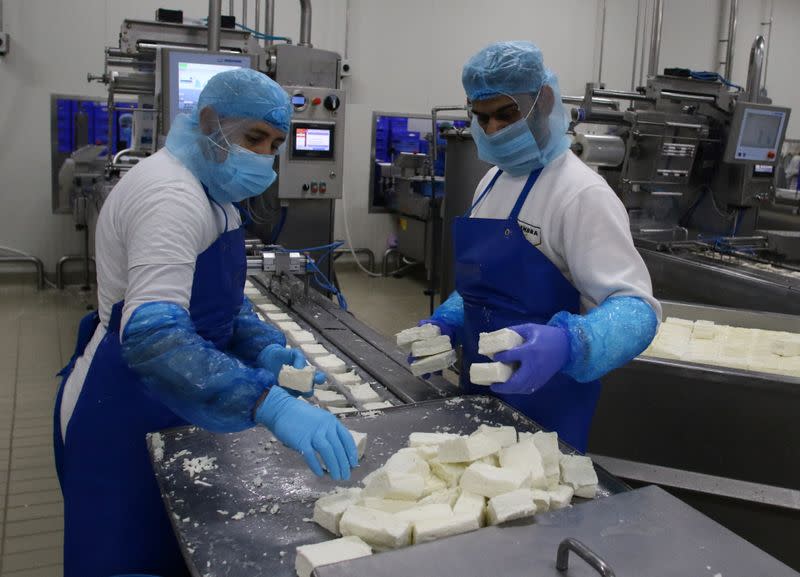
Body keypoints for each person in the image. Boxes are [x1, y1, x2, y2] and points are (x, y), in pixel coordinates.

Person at [53, 69, 358, 577]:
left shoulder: (215, 197)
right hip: (122, 408)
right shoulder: (170, 196)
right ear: (211, 122)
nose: (264, 155)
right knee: (129, 555)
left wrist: (260, 346)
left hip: (177, 400)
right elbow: (155, 340)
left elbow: (220, 302)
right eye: (253, 138)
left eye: (275, 143)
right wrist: (268, 402)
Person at [414, 41, 661, 452]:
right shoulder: (490, 182)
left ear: (543, 101)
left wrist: (568, 345)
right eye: (482, 118)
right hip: (480, 388)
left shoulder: (581, 194)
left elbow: (637, 309)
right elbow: (489, 278)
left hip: (550, 403)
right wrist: (449, 321)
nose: (493, 129)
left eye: (506, 114)